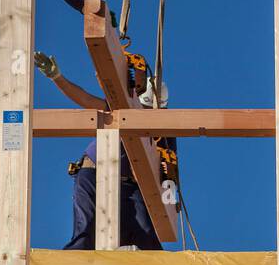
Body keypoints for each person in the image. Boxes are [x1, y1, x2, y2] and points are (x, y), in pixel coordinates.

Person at [34, 50, 175, 251]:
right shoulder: (124, 109)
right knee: (86, 233)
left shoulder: (166, 130)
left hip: (132, 186)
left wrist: (168, 201)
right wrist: (57, 78)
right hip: (94, 172)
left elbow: (170, 171)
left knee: (146, 237)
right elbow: (86, 100)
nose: (146, 114)